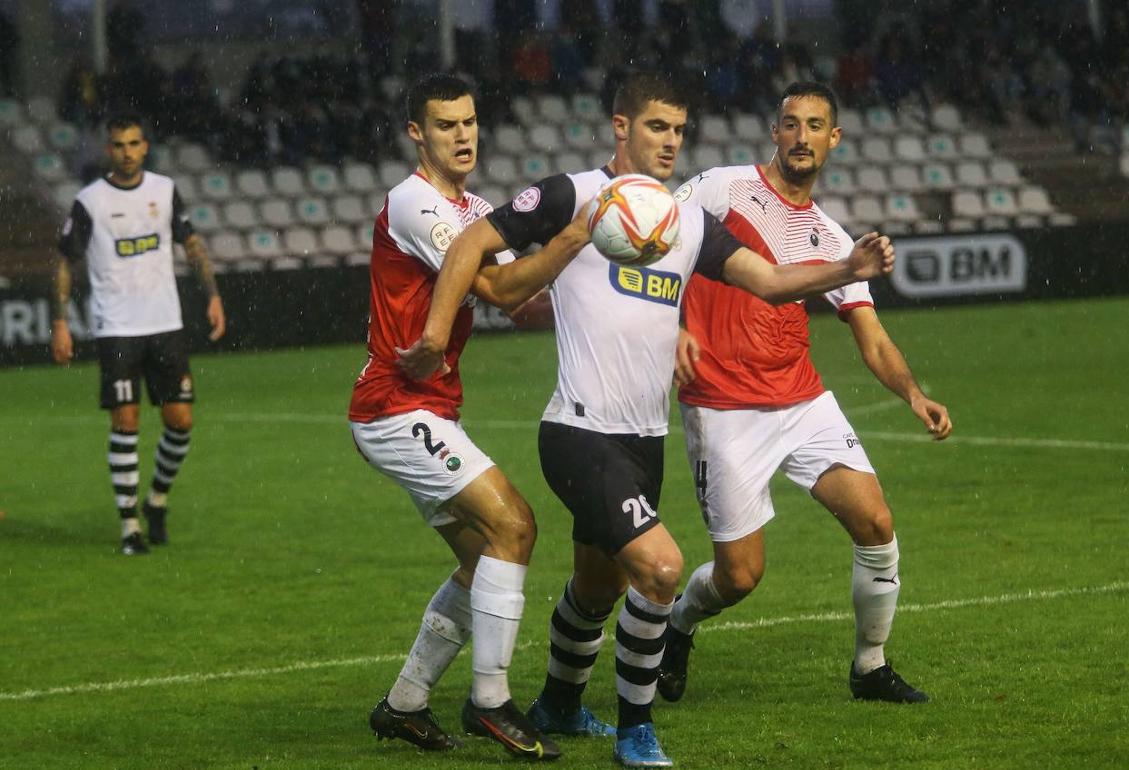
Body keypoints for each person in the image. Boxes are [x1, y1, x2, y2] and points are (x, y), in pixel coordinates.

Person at [409, 71, 896, 768]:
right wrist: (435, 335)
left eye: (678, 131)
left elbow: (769, 281)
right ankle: (636, 731)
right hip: (578, 431)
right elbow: (469, 244)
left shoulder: (687, 222)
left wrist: (844, 267)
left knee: (598, 586)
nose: (670, 142)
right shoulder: (572, 193)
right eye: (656, 127)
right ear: (621, 126)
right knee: (661, 568)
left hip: (645, 440)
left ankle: (558, 704)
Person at [655, 81, 953, 707]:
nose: (802, 137)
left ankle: (869, 668)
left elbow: (872, 337)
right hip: (722, 406)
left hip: (802, 400)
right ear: (775, 132)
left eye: (815, 126)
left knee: (876, 523)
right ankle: (678, 623)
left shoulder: (834, 239)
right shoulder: (722, 189)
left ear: (833, 138)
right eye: (791, 123)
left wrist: (913, 395)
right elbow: (656, 243)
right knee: (740, 576)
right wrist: (673, 324)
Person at [348, 73, 590, 761]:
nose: (463, 136)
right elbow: (494, 285)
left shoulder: (477, 209)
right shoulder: (413, 203)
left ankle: (403, 705)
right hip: (393, 406)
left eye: (470, 122)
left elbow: (525, 304)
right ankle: (491, 699)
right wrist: (572, 238)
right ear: (416, 133)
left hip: (429, 407)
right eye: (446, 124)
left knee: (482, 557)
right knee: (514, 525)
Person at [51, 113, 226, 555]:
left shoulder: (164, 190)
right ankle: (130, 526)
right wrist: (60, 322)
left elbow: (191, 244)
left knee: (180, 422)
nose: (127, 152)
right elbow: (65, 261)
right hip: (117, 328)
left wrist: (212, 295)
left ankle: (157, 500)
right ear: (108, 150)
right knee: (125, 422)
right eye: (119, 145)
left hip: (164, 323)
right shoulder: (90, 201)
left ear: (145, 146)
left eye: (133, 144)